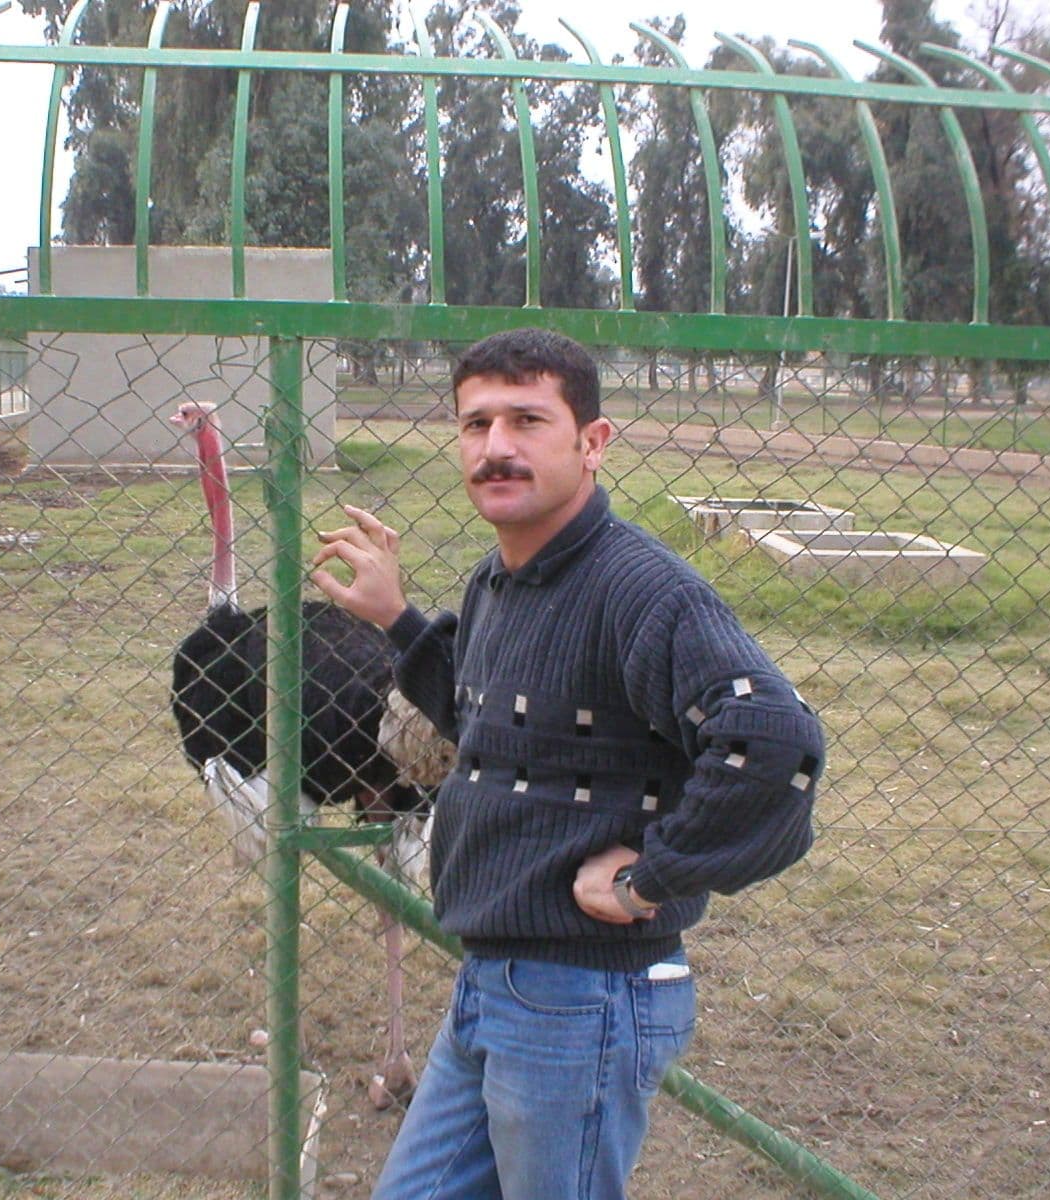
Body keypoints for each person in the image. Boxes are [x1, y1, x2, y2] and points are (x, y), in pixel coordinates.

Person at [310, 327, 824, 1200]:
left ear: (593, 442)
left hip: (582, 1000)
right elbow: (493, 726)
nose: (496, 447)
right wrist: (400, 621)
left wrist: (651, 878)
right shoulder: (498, 581)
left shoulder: (642, 592)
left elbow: (773, 743)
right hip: (494, 983)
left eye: (527, 420)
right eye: (475, 425)